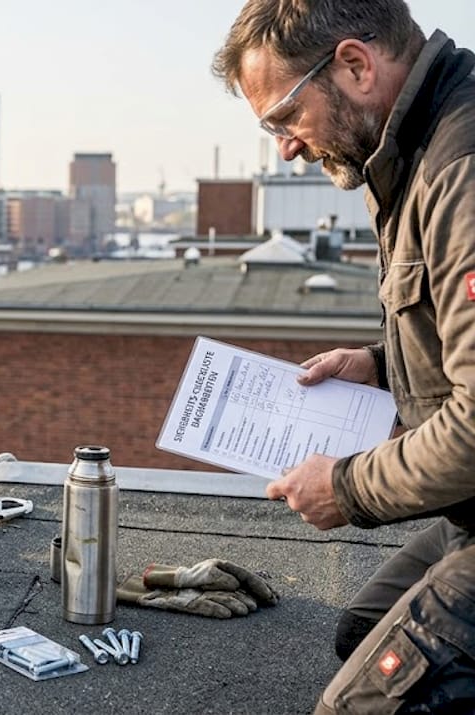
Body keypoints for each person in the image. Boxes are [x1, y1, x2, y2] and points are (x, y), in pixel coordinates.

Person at [213, 1, 475, 711]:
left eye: (283, 119)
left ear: (356, 65)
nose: (285, 148)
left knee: (360, 704)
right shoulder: (402, 152)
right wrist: (382, 364)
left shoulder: (461, 169)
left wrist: (350, 487)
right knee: (364, 633)